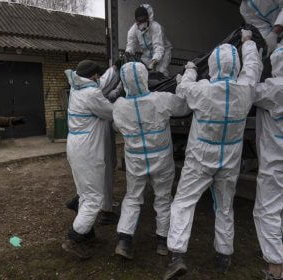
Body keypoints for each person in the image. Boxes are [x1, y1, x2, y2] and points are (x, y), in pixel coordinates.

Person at [163, 30, 263, 279]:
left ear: (212, 65)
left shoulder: (202, 90)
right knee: (225, 206)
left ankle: (176, 256)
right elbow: (253, 66)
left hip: (200, 158)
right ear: (236, 65)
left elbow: (182, 89)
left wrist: (189, 69)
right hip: (229, 158)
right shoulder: (246, 88)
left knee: (184, 202)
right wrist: (248, 43)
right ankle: (223, 256)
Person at [112, 62, 189, 260]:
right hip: (161, 159)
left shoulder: (119, 106)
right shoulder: (161, 100)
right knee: (163, 198)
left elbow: (117, 127)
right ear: (145, 77)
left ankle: (124, 240)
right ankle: (163, 242)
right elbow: (184, 107)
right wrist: (182, 83)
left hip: (136, 160)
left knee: (132, 197)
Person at [62, 60, 114, 259]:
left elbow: (98, 88)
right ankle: (73, 238)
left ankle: (87, 232)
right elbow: (110, 112)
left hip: (75, 146)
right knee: (94, 198)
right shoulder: (92, 94)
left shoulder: (77, 87)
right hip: (88, 150)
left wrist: (114, 70)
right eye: (98, 75)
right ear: (92, 76)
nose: (99, 78)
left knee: (85, 192)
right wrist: (118, 99)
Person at [253, 43, 283, 280]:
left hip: (276, 160)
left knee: (266, 211)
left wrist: (252, 54)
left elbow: (247, 90)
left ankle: (276, 269)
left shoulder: (274, 89)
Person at [125, 4, 172, 77]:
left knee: (160, 73)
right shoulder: (133, 29)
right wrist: (128, 52)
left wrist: (153, 62)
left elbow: (159, 48)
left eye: (142, 20)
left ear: (148, 18)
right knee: (144, 75)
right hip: (146, 56)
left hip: (163, 53)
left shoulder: (156, 27)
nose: (140, 23)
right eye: (138, 21)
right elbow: (131, 44)